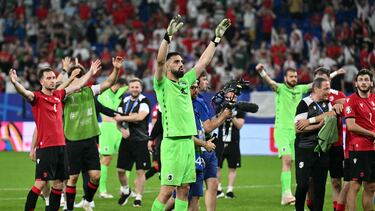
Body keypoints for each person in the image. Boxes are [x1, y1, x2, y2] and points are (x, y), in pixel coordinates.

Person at [151, 14, 231, 211]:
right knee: (167, 190)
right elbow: (160, 61)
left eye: (181, 62)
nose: (181, 64)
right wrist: (168, 36)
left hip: (188, 142)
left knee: (184, 189)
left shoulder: (186, 82)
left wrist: (216, 39)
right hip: (172, 143)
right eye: (176, 62)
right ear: (169, 65)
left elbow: (203, 62)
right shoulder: (162, 84)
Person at [9, 63, 95, 211]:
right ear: (42, 81)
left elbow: (77, 85)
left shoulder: (58, 95)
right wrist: (16, 83)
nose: (52, 80)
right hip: (46, 148)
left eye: (53, 78)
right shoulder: (37, 98)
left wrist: (91, 72)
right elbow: (25, 93)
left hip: (61, 147)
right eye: (48, 78)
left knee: (59, 184)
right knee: (40, 184)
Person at [63, 57, 122, 211]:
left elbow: (109, 83)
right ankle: (69, 208)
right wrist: (70, 74)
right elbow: (58, 86)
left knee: (95, 176)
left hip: (89, 140)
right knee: (73, 178)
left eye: (80, 76)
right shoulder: (64, 95)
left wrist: (115, 69)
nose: (79, 80)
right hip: (72, 141)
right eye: (75, 77)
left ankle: (87, 200)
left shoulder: (90, 91)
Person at [255, 64, 311, 205]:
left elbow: (314, 85)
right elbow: (270, 82)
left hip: (297, 132)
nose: (294, 79)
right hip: (282, 131)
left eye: (295, 76)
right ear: (285, 78)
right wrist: (262, 72)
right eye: (291, 77)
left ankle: (287, 195)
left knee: (294, 163)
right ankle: (286, 194)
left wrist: (333, 74)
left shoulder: (300, 89)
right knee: (286, 160)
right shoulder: (280, 89)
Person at [294, 77, 337, 211]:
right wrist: (317, 125)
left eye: (329, 88)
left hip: (322, 150)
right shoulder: (304, 103)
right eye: (325, 89)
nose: (328, 92)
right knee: (302, 185)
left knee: (320, 186)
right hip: (304, 149)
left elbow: (332, 114)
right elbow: (297, 128)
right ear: (316, 89)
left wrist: (310, 121)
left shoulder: (327, 104)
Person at [189, 80, 231, 211]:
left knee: (212, 185)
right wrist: (223, 116)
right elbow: (208, 127)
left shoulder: (200, 101)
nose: (206, 83)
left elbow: (206, 124)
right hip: (195, 149)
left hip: (207, 148)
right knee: (183, 194)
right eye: (204, 80)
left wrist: (220, 115)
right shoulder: (185, 103)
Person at [113, 78, 152, 207]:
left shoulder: (144, 101)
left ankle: (138, 197)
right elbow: (117, 121)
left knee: (140, 171)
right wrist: (121, 129)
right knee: (120, 170)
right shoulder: (123, 101)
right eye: (132, 87)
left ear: (141, 88)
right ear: (129, 88)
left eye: (137, 87)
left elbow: (140, 117)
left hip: (141, 141)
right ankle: (126, 190)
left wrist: (123, 117)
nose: (134, 89)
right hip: (127, 141)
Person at [344, 69, 375, 211]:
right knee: (355, 185)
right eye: (361, 80)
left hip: (373, 148)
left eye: (366, 79)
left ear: (371, 83)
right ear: (356, 83)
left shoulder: (374, 99)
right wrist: (372, 134)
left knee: (371, 186)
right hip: (358, 148)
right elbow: (351, 126)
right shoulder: (351, 100)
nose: (364, 82)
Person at [97, 78, 128, 199]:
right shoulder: (103, 93)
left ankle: (124, 189)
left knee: (126, 157)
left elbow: (132, 85)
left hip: (120, 129)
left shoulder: (121, 95)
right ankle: (102, 190)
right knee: (106, 158)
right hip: (107, 129)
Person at [216, 90, 245, 199]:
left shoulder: (240, 108)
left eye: (232, 97)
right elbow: (216, 121)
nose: (230, 100)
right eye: (228, 97)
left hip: (234, 141)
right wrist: (224, 114)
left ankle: (230, 190)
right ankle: (218, 189)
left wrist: (232, 116)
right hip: (220, 141)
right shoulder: (220, 107)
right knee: (217, 166)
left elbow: (240, 125)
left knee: (233, 167)